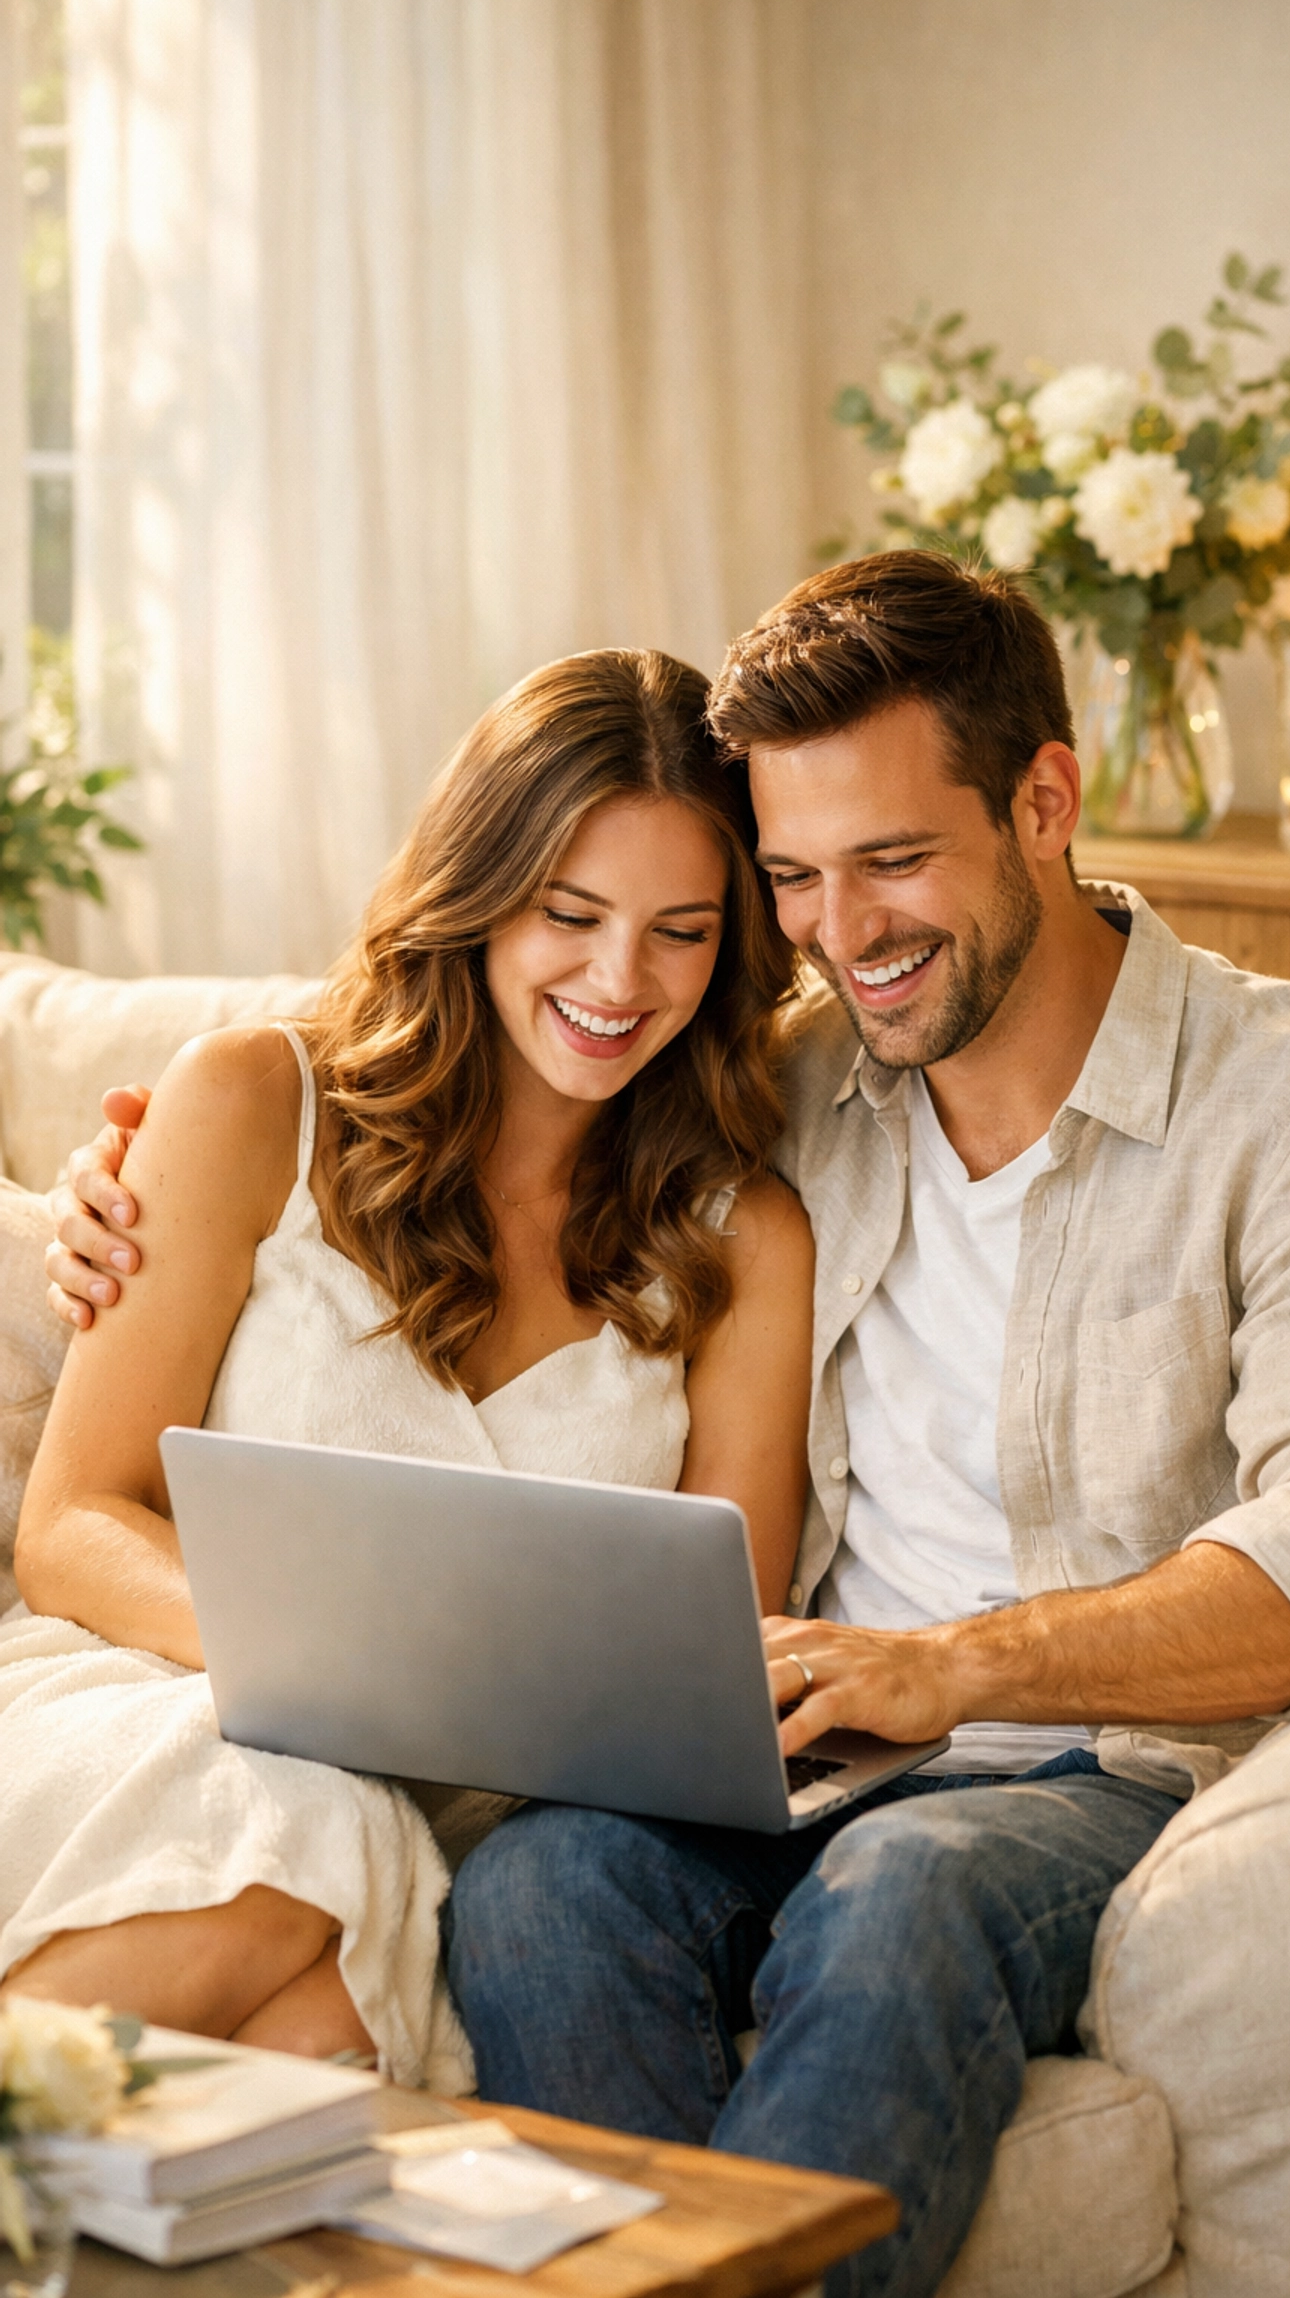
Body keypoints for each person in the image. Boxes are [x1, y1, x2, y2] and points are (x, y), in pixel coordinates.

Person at [46, 557, 1290, 2297]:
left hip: (1080, 1762)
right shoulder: (798, 1078)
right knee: (542, 1889)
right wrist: (102, 1180)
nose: (846, 931)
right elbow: (485, 1034)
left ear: (1046, 801)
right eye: (799, 880)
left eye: (896, 861)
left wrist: (962, 1668)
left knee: (901, 1899)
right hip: (787, 1735)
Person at [4, 647, 813, 2093]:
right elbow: (68, 1525)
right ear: (479, 891)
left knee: (326, 2021)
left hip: (466, 1829)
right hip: (173, 1716)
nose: (620, 981)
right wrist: (335, 1682)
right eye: (570, 913)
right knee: (314, 1855)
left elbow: (709, 1645)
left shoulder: (743, 1237)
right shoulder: (254, 1099)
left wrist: (408, 1726)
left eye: (681, 932)